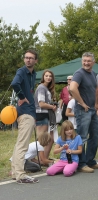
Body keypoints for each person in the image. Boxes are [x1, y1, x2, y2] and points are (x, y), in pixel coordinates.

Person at [69, 52, 98, 173]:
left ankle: (90, 161)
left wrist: (96, 103)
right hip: (83, 110)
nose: (86, 63)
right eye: (84, 60)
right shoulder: (79, 73)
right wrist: (82, 103)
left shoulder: (93, 73)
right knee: (82, 137)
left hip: (92, 110)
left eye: (89, 61)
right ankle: (81, 163)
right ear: (82, 61)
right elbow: (72, 87)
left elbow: (96, 89)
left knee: (95, 135)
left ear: (93, 62)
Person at [11, 49, 39, 184]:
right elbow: (15, 83)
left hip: (29, 112)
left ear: (35, 60)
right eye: (26, 57)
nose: (28, 60)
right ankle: (20, 175)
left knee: (20, 144)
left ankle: (14, 172)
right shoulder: (22, 71)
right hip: (25, 112)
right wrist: (22, 97)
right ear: (24, 59)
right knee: (23, 145)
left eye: (31, 58)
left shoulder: (34, 74)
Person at [34, 69, 56, 159]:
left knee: (48, 138)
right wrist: (52, 107)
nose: (48, 78)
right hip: (41, 114)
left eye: (50, 76)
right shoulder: (41, 87)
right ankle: (40, 159)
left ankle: (44, 158)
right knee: (42, 139)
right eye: (46, 76)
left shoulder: (46, 88)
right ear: (43, 77)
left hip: (46, 115)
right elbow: (41, 103)